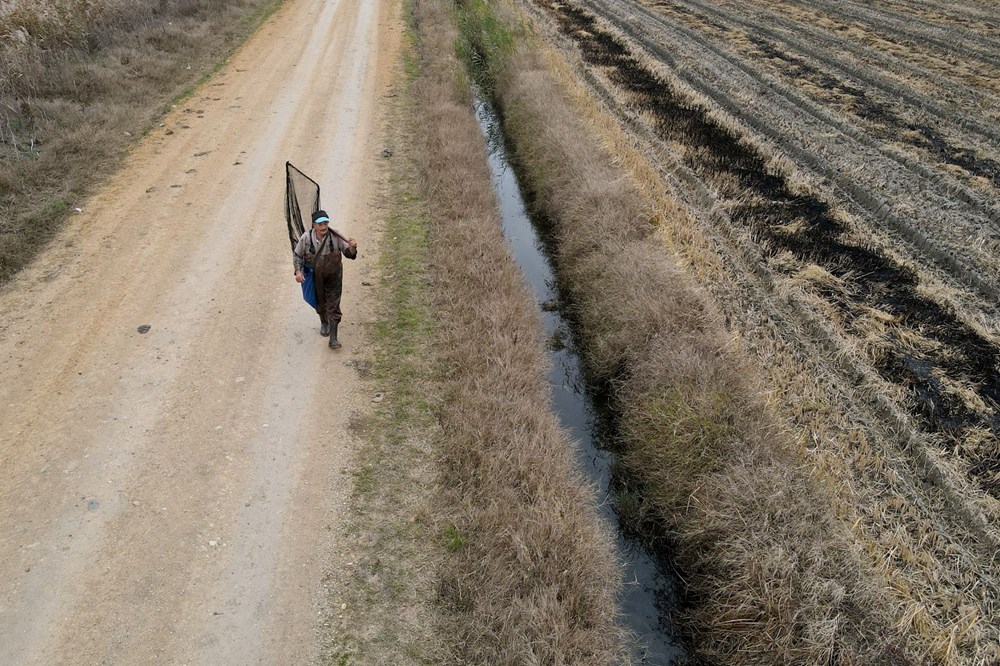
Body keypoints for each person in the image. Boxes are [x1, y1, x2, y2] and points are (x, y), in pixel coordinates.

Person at [293, 210, 358, 348]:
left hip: (334, 275)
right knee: (320, 302)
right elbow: (297, 256)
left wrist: (353, 248)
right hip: (316, 277)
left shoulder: (336, 237)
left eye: (325, 223)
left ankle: (333, 339)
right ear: (314, 225)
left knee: (334, 305)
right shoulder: (306, 239)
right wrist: (298, 271)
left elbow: (349, 254)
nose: (323, 227)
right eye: (320, 224)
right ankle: (324, 321)